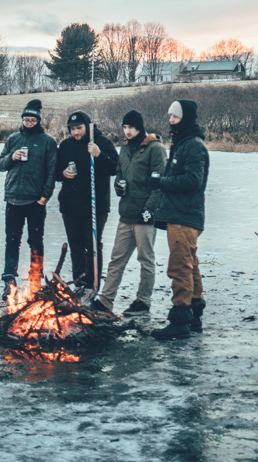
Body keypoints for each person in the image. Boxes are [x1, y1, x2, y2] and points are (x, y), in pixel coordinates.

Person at [92, 110, 167, 316]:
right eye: (124, 128)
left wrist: (149, 211)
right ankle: (105, 301)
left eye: (131, 128)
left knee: (146, 259)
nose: (127, 132)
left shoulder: (155, 149)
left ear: (139, 127)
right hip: (126, 213)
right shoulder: (124, 148)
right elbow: (119, 172)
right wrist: (119, 186)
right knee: (117, 258)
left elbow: (159, 184)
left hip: (144, 215)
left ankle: (143, 301)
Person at [150, 99, 209, 341]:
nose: (170, 120)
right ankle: (193, 315)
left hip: (185, 217)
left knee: (180, 266)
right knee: (190, 263)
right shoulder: (183, 143)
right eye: (170, 116)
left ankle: (180, 319)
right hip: (181, 214)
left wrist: (161, 182)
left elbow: (193, 181)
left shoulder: (192, 145)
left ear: (185, 118)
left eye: (175, 116)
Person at [0, 99, 57, 300]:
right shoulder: (13, 139)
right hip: (13, 198)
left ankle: (35, 281)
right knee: (11, 241)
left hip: (35, 201)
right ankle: (9, 280)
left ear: (38, 121)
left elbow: (51, 171)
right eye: (26, 120)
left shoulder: (47, 142)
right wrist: (11, 157)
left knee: (36, 241)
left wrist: (44, 197)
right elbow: (0, 164)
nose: (28, 123)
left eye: (32, 120)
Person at [55, 110, 118, 293]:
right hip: (70, 205)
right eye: (72, 129)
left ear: (87, 127)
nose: (76, 133)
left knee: (92, 245)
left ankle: (93, 284)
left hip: (94, 206)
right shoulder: (66, 146)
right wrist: (62, 174)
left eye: (79, 128)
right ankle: (79, 282)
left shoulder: (102, 143)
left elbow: (115, 168)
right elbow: (55, 170)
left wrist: (99, 155)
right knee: (75, 247)